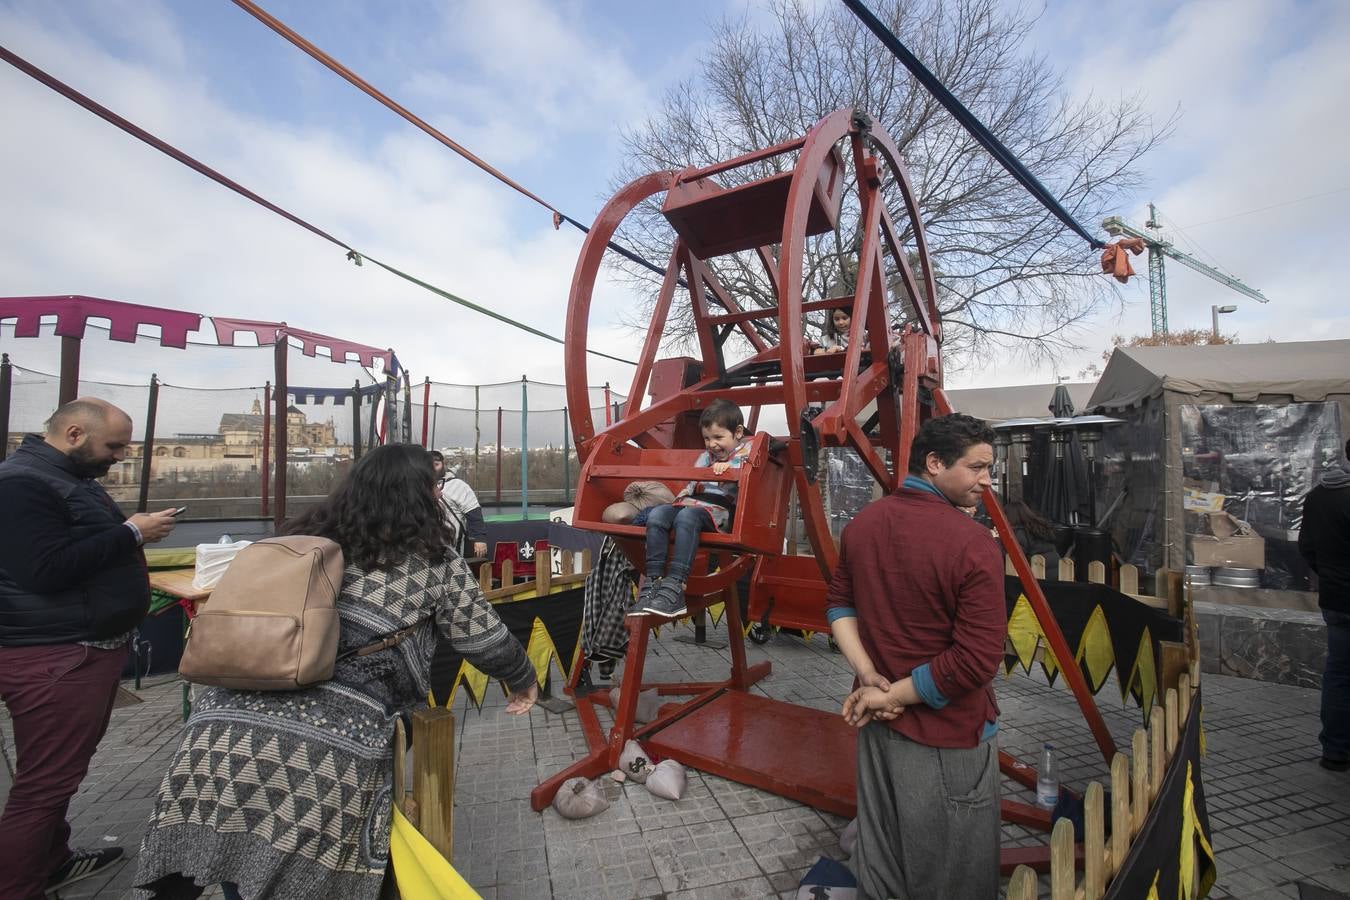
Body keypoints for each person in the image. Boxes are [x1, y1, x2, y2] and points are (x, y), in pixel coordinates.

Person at [133, 444, 538, 898]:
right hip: (323, 748)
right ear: (421, 495)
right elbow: (482, 636)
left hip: (216, 733)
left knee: (232, 856)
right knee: (294, 872)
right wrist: (522, 679)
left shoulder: (297, 540)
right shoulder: (430, 559)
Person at [0, 398, 179, 898]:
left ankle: (52, 862)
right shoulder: (22, 484)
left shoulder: (63, 481)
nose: (120, 456)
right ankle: (17, 885)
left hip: (75, 649)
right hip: (57, 655)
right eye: (114, 446)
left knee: (56, 776)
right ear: (75, 434)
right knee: (44, 785)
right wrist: (130, 532)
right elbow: (44, 569)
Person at [825, 413, 1005, 899]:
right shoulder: (973, 544)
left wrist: (869, 682)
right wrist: (888, 694)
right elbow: (976, 660)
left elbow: (840, 605)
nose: (987, 481)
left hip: (878, 724)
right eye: (977, 467)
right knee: (953, 874)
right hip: (946, 736)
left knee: (882, 858)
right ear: (933, 462)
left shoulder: (862, 525)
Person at [630, 399, 752, 619]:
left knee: (687, 517)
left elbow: (749, 479)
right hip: (691, 503)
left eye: (718, 437)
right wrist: (678, 501)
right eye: (707, 438)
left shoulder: (746, 454)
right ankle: (654, 580)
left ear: (738, 432)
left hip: (718, 512)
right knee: (658, 514)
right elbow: (690, 485)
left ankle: (677, 583)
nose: (712, 444)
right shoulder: (705, 458)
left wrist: (729, 471)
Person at [1298, 438, 1350, 772]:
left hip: (1336, 600)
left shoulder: (1318, 496)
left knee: (1338, 676)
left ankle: (1335, 750)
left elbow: (1307, 548)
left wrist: (1330, 575)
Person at [429, 449, 488, 559]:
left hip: (453, 546)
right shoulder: (420, 486)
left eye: (436, 465)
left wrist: (480, 538)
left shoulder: (458, 485)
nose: (433, 469)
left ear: (443, 465)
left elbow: (473, 512)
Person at [1002, 496, 1061, 566]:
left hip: (1037, 572)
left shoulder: (1019, 533)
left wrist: (997, 541)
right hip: (1054, 571)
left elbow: (1014, 557)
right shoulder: (1037, 528)